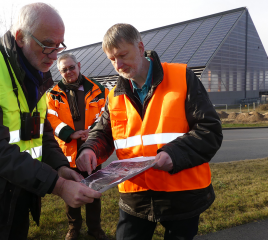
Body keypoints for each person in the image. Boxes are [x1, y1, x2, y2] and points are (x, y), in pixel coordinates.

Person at [0, 3, 101, 240]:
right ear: (20, 37)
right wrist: (58, 185)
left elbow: (42, 131)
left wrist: (60, 167)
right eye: (47, 46)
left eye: (59, 45)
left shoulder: (38, 73)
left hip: (19, 193)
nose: (54, 55)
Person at [76, 23, 223, 240]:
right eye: (111, 59)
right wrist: (90, 149)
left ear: (140, 47)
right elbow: (104, 133)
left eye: (123, 55)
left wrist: (174, 154)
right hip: (135, 197)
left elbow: (209, 130)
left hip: (181, 194)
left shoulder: (182, 77)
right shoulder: (114, 94)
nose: (118, 64)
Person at [47, 53, 109, 240]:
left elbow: (106, 113)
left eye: (71, 67)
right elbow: (51, 119)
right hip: (68, 151)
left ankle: (95, 229)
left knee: (93, 192)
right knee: (71, 192)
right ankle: (74, 228)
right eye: (64, 69)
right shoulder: (53, 94)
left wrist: (92, 132)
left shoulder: (98, 89)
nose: (69, 72)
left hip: (93, 150)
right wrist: (70, 133)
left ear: (79, 65)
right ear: (59, 71)